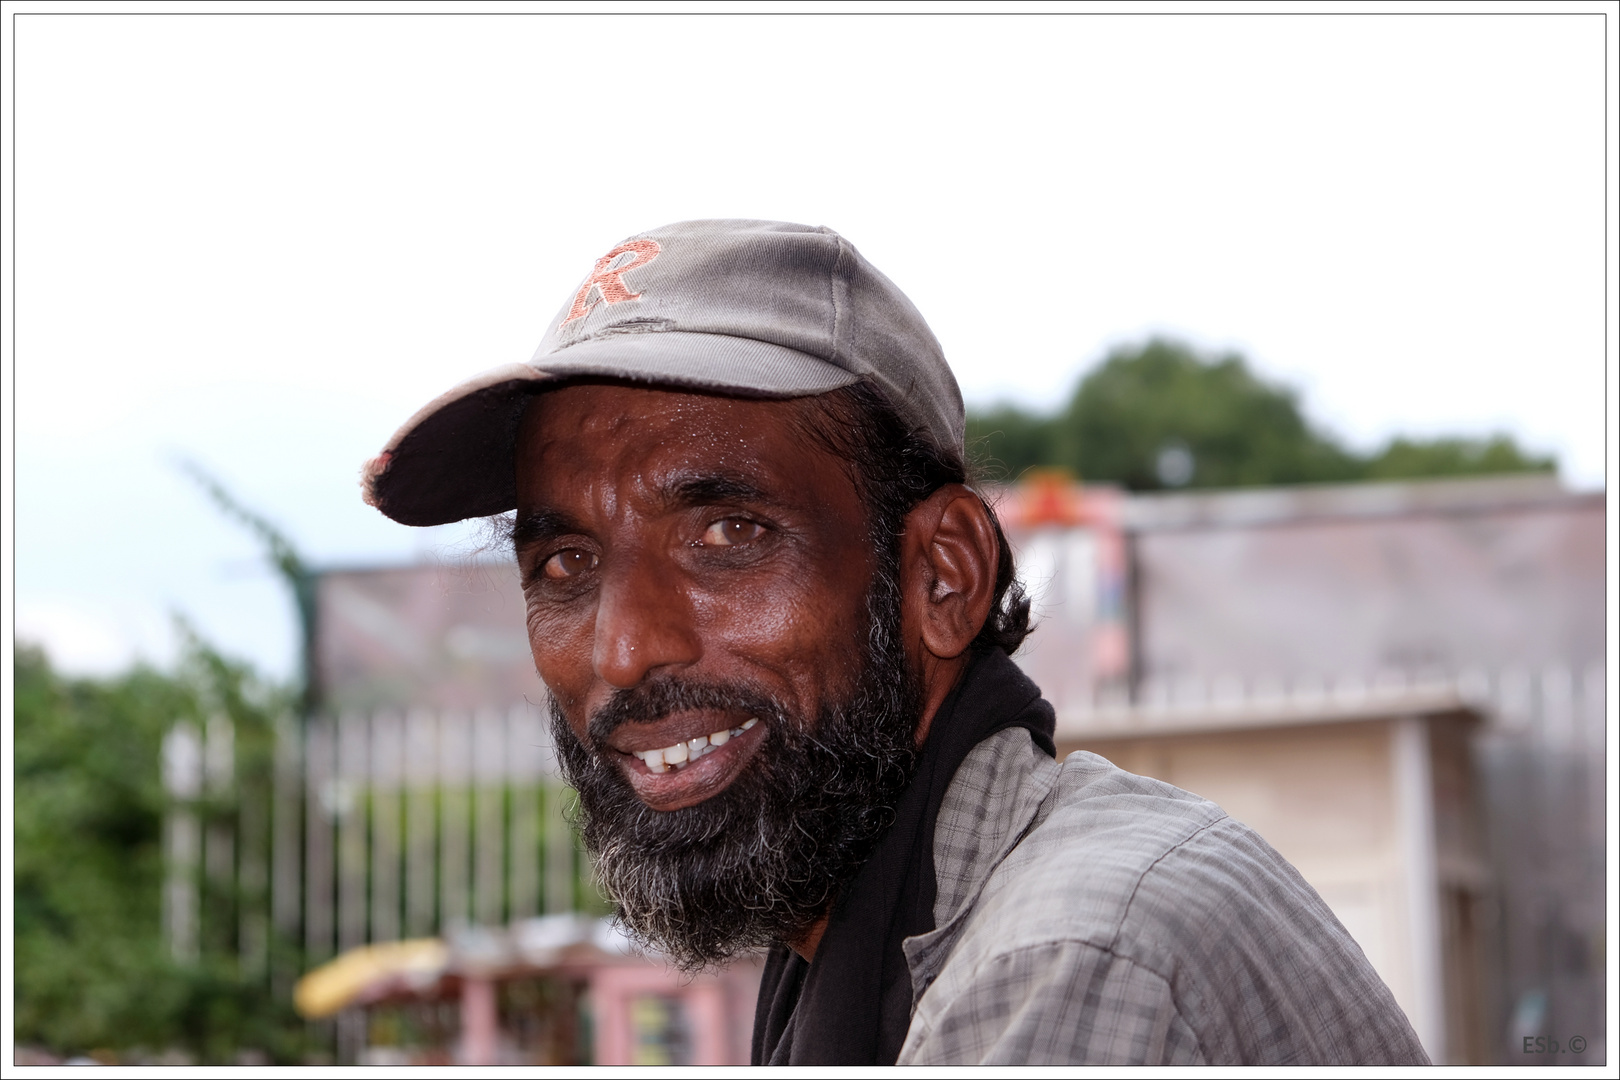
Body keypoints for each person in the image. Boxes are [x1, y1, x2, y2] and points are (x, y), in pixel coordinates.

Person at [361, 219, 1430, 1065]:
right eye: (565, 565)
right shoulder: (863, 946)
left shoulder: (1069, 959)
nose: (626, 647)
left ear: (942, 575)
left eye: (730, 535)